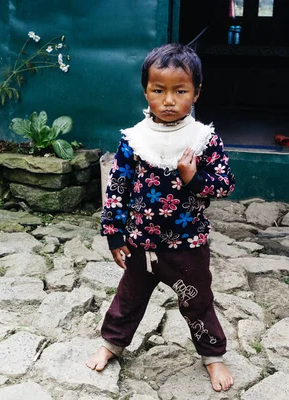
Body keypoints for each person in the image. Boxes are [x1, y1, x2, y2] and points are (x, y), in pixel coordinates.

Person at [86, 43, 236, 392]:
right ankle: (112, 344)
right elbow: (118, 187)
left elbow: (225, 184)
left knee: (197, 302)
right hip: (140, 244)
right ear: (146, 91)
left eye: (180, 91)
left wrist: (193, 178)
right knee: (128, 298)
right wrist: (114, 235)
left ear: (196, 92)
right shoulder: (135, 141)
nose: (169, 100)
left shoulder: (203, 140)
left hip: (187, 246)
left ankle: (213, 356)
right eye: (159, 90)